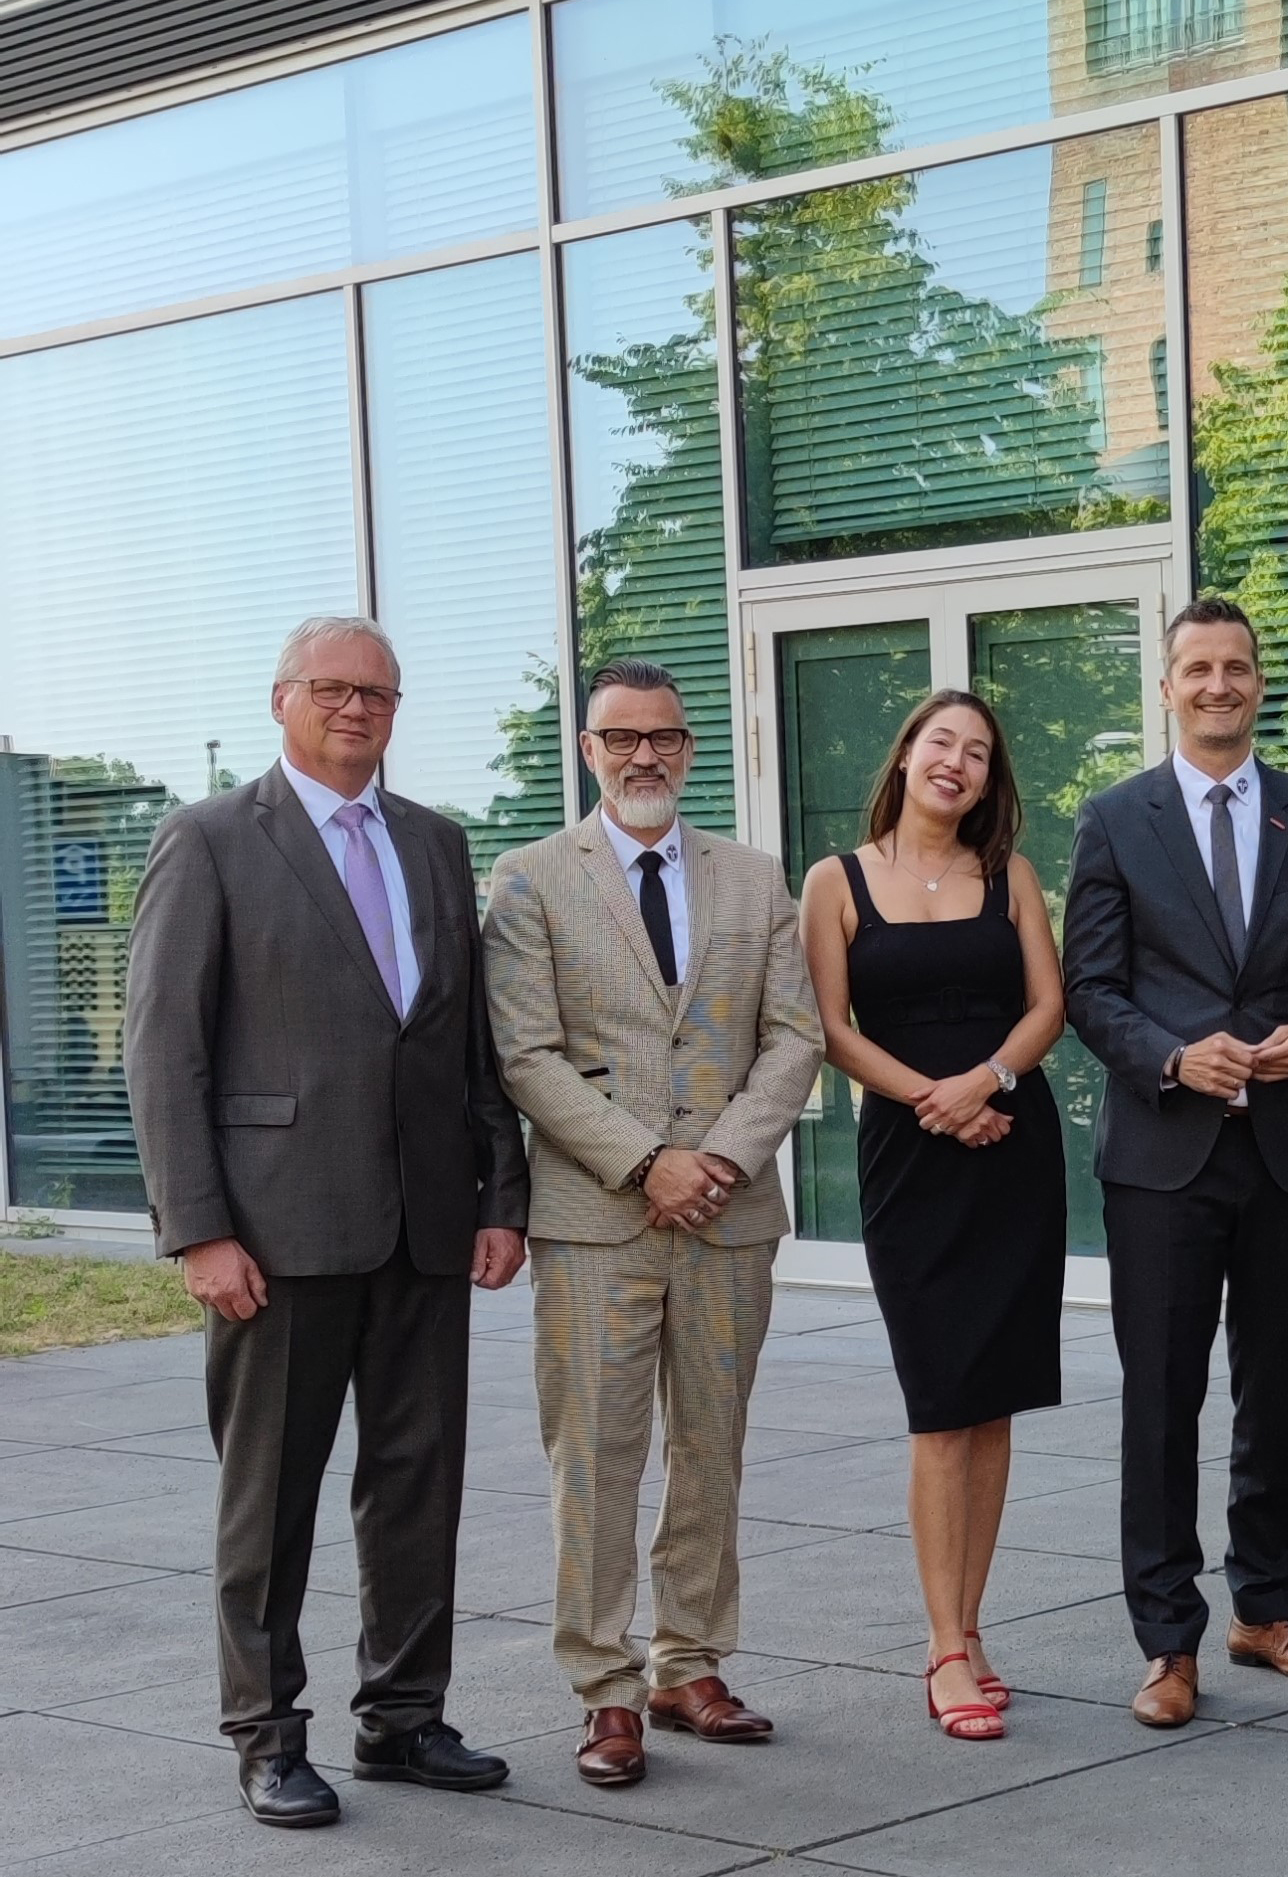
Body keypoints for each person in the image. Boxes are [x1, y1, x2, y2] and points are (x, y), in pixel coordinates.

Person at [125, 615, 530, 1829]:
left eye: (380, 694)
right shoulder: (207, 842)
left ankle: (404, 1718)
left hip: (424, 1229)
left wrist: (498, 1198)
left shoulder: (435, 844)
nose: (358, 709)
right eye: (334, 689)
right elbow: (163, 1053)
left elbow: (468, 1045)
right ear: (283, 699)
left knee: (418, 1483)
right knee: (272, 1497)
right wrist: (198, 1229)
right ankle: (265, 1732)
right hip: (273, 1234)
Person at [482, 660, 824, 1788]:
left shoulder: (754, 879)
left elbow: (795, 1037)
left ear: (690, 748)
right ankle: (604, 1687)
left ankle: (687, 1665)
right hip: (594, 1218)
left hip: (727, 1217)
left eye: (665, 738)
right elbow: (523, 1054)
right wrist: (645, 1162)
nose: (645, 757)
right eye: (621, 738)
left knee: (709, 1450)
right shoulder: (531, 882)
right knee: (594, 1457)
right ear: (587, 750)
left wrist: (717, 1157)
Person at [1062, 596, 1288, 1729]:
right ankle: (1166, 1640)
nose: (1217, 685)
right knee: (1161, 1400)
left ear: (1257, 681)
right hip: (1163, 1156)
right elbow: (1087, 990)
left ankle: (1266, 1608)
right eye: (1196, 668)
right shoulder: (1114, 819)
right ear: (1167, 686)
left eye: (1235, 667)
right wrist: (1167, 1058)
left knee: (1274, 1390)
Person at [796, 689, 1067, 1742]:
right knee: (938, 1404)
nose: (957, 762)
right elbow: (825, 1026)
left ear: (989, 780)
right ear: (905, 753)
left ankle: (969, 1623)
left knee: (991, 1401)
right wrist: (934, 1099)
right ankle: (942, 1646)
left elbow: (1048, 1005)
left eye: (979, 752)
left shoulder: (1009, 876)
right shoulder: (835, 880)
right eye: (940, 742)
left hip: (1012, 1150)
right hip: (911, 1159)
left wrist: (988, 1080)